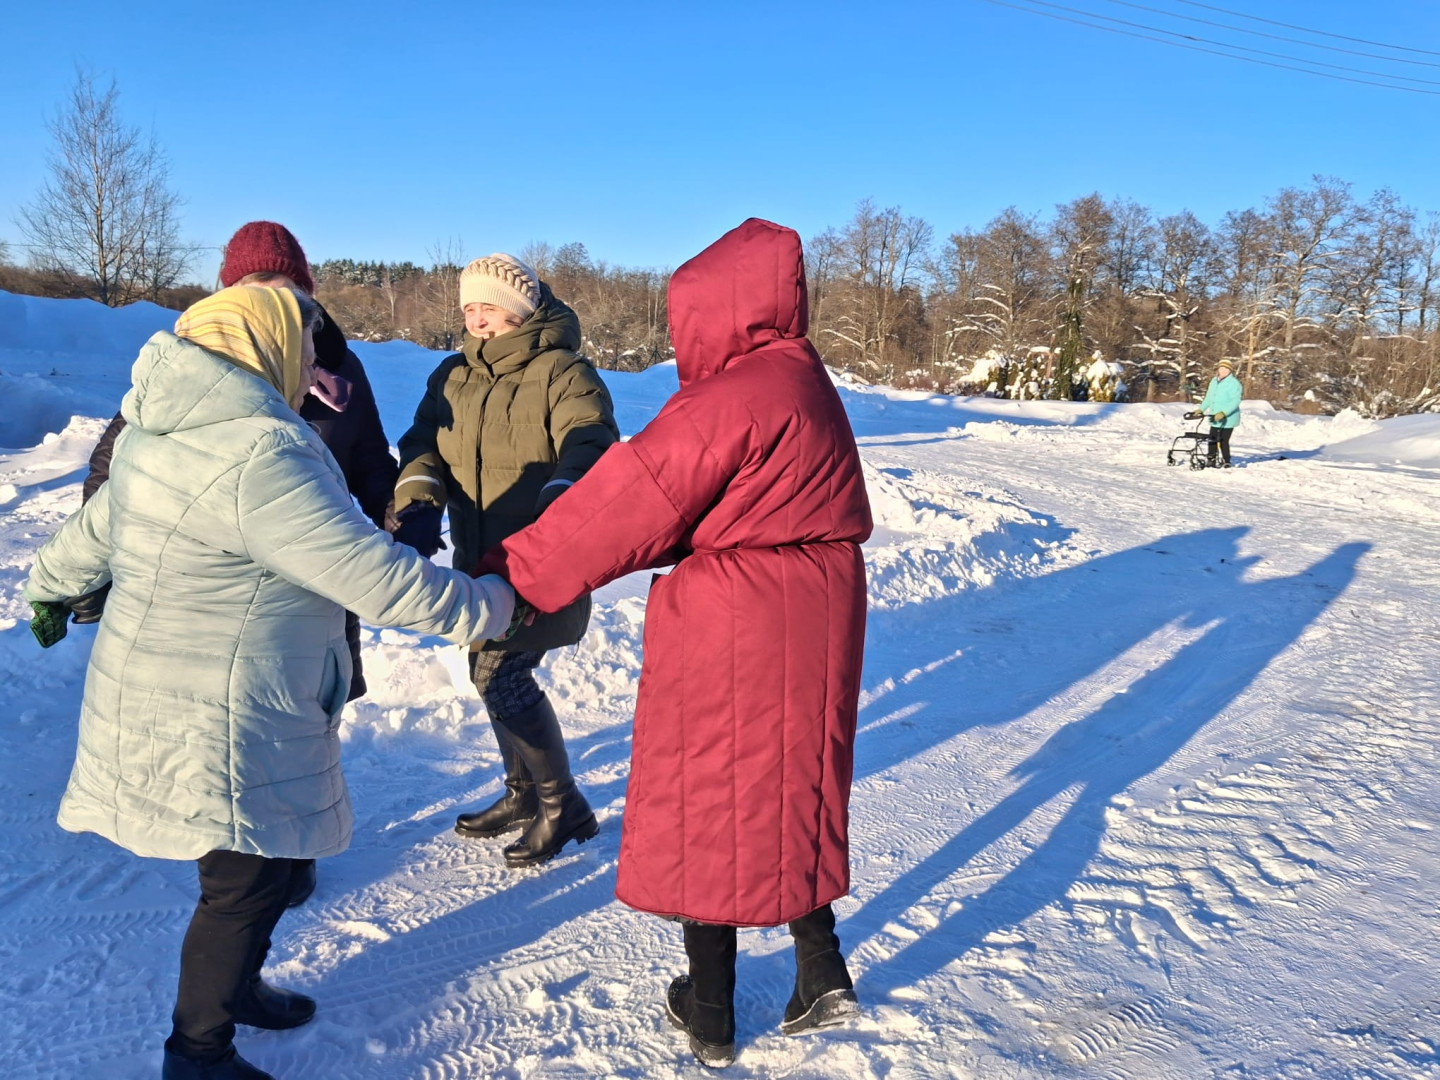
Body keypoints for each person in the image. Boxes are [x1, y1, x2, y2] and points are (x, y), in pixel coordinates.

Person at [24, 286, 519, 1080]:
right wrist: (495, 604)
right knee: (244, 883)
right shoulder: (259, 455)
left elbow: (92, 531)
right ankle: (199, 1053)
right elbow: (377, 578)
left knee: (266, 867)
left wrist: (48, 583)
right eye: (302, 349)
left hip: (196, 692)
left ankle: (236, 990)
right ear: (265, 348)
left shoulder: (163, 432)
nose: (310, 368)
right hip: (225, 712)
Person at [477, 219, 874, 1067]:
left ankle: (712, 1009)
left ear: (714, 309)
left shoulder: (733, 394)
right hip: (821, 606)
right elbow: (712, 504)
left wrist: (523, 571)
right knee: (791, 782)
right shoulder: (803, 379)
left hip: (740, 614)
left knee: (714, 796)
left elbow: (639, 497)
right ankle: (822, 968)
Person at [69, 220, 400, 909]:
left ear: (305, 289)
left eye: (285, 284)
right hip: (220, 592)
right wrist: (98, 566)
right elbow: (118, 465)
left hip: (319, 578)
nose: (272, 298)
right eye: (256, 284)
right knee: (230, 731)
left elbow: (371, 460)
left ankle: (292, 855)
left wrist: (402, 520)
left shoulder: (335, 362)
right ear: (232, 292)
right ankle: (238, 882)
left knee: (312, 716)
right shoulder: (194, 360)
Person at [394, 253, 618, 868]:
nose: (476, 320)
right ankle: (524, 794)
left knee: (503, 675)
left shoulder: (563, 373)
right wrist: (417, 500)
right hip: (478, 559)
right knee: (484, 670)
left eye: (487, 307)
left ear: (518, 309)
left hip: (542, 559)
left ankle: (562, 804)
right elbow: (421, 446)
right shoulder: (451, 377)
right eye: (469, 308)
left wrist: (562, 494)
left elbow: (591, 440)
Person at [1198, 359, 1242, 467]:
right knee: (1212, 438)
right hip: (1214, 416)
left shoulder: (1234, 383)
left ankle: (1226, 460)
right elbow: (1209, 398)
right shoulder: (1214, 381)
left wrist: (1224, 413)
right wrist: (1201, 409)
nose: (1223, 371)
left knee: (1223, 440)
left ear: (1230, 371)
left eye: (1226, 369)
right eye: (1221, 368)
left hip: (1228, 418)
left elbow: (1235, 401)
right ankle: (1211, 459)